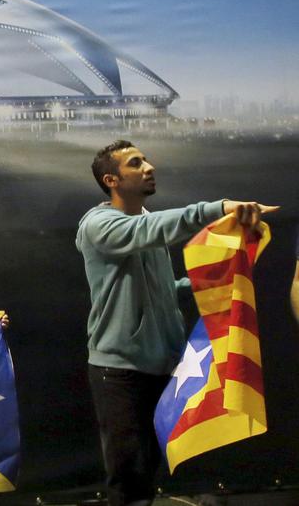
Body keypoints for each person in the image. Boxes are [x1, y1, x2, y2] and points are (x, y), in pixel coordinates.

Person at [76, 140, 275, 506]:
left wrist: (213, 280)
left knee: (150, 466)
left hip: (163, 366)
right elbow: (153, 231)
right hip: (119, 371)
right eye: (136, 163)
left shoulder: (145, 221)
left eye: (146, 159)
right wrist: (219, 209)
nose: (149, 166)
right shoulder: (99, 225)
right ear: (112, 180)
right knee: (129, 476)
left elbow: (164, 288)